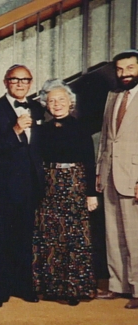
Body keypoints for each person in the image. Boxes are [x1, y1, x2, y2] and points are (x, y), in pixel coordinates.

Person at [0, 64, 45, 309]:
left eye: (25, 80)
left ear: (30, 82)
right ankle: (1, 291)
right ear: (6, 82)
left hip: (30, 185)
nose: (20, 84)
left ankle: (24, 286)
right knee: (1, 240)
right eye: (15, 80)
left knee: (25, 239)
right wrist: (15, 130)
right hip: (4, 187)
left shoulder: (38, 107)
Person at [32, 78, 98, 307]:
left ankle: (73, 289)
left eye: (61, 99)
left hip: (75, 183)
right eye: (51, 100)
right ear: (45, 104)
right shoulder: (41, 130)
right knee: (50, 235)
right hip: (48, 183)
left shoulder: (81, 127)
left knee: (74, 236)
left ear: (70, 102)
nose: (57, 104)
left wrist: (91, 193)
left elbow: (90, 162)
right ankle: (51, 287)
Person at [96, 49, 138, 309]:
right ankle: (117, 285)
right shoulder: (112, 96)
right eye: (120, 69)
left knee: (135, 236)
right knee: (113, 233)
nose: (124, 74)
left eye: (130, 68)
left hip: (133, 176)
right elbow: (105, 137)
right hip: (110, 174)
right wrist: (100, 170)